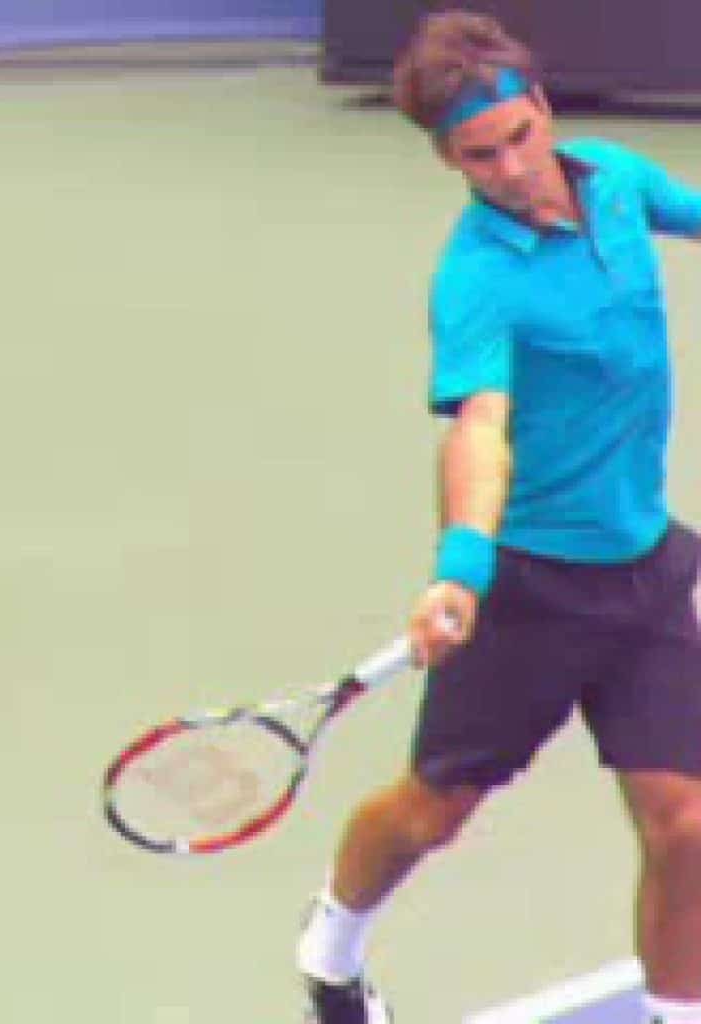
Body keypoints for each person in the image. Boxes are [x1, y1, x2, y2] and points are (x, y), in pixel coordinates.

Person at [296, 10, 701, 1024]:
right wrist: (461, 567)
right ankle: (331, 947)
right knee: (431, 814)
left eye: (519, 137)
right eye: (481, 156)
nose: (512, 169)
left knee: (687, 824)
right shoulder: (477, 278)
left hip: (645, 569)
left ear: (543, 109)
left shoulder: (615, 181)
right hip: (529, 591)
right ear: (449, 160)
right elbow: (480, 428)